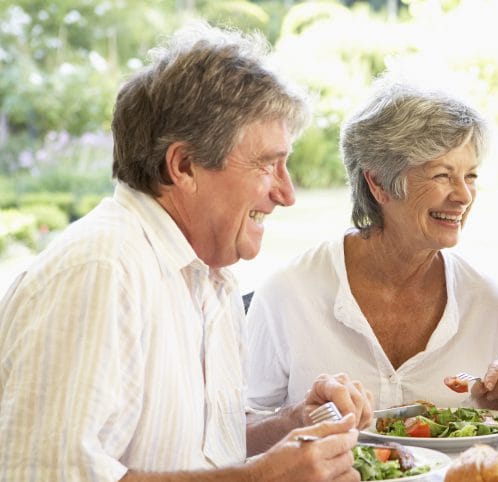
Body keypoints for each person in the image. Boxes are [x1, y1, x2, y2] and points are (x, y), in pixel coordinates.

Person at [0, 24, 374, 481]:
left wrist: (291, 423)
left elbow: (199, 449)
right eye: (266, 164)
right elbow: (48, 475)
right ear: (184, 166)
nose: (286, 193)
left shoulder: (208, 275)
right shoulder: (101, 269)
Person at [245, 80, 498, 417]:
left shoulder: (486, 303)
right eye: (442, 175)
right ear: (379, 183)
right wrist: (295, 421)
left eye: (470, 176)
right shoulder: (289, 293)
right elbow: (238, 432)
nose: (463, 196)